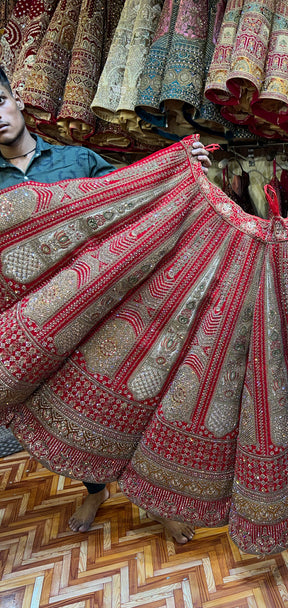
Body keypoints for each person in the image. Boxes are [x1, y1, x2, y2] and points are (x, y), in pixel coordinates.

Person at [0, 66, 211, 541]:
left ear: (15, 99)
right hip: (38, 328)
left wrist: (181, 164)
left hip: (104, 313)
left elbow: (140, 192)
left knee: (127, 403)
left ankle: (152, 500)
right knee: (75, 417)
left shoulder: (77, 160)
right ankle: (95, 490)